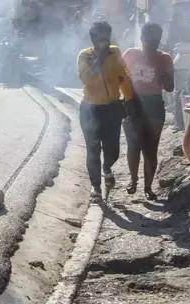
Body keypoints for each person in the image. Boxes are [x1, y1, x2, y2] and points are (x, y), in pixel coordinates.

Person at [77, 21, 135, 200]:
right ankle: (96, 187)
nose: (105, 41)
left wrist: (130, 99)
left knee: (113, 149)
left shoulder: (115, 51)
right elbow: (87, 79)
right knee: (93, 149)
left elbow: (123, 76)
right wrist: (100, 59)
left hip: (113, 107)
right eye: (101, 37)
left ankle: (107, 167)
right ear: (93, 39)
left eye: (107, 37)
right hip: (90, 108)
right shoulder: (85, 56)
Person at [122, 23, 174, 200]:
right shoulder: (130, 54)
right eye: (151, 39)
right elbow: (120, 78)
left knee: (151, 150)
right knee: (133, 146)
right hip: (133, 104)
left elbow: (169, 87)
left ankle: (148, 187)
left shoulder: (164, 58)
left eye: (158, 39)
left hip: (154, 105)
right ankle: (134, 180)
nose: (155, 43)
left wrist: (165, 72)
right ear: (142, 38)